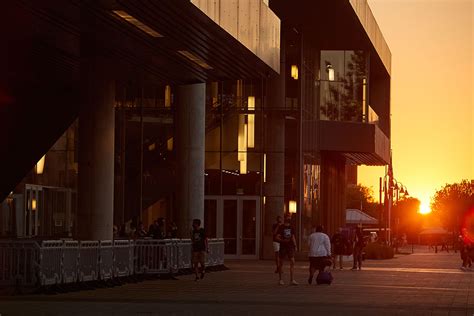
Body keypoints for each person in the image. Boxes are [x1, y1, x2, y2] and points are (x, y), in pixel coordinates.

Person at [275, 215, 298, 285]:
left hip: (290, 246)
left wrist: (295, 245)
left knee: (292, 261)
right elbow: (276, 237)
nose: (289, 219)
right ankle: (280, 279)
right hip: (283, 246)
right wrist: (282, 240)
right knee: (281, 262)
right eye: (288, 218)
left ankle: (292, 279)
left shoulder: (291, 227)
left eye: (290, 218)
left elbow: (293, 237)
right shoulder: (281, 227)